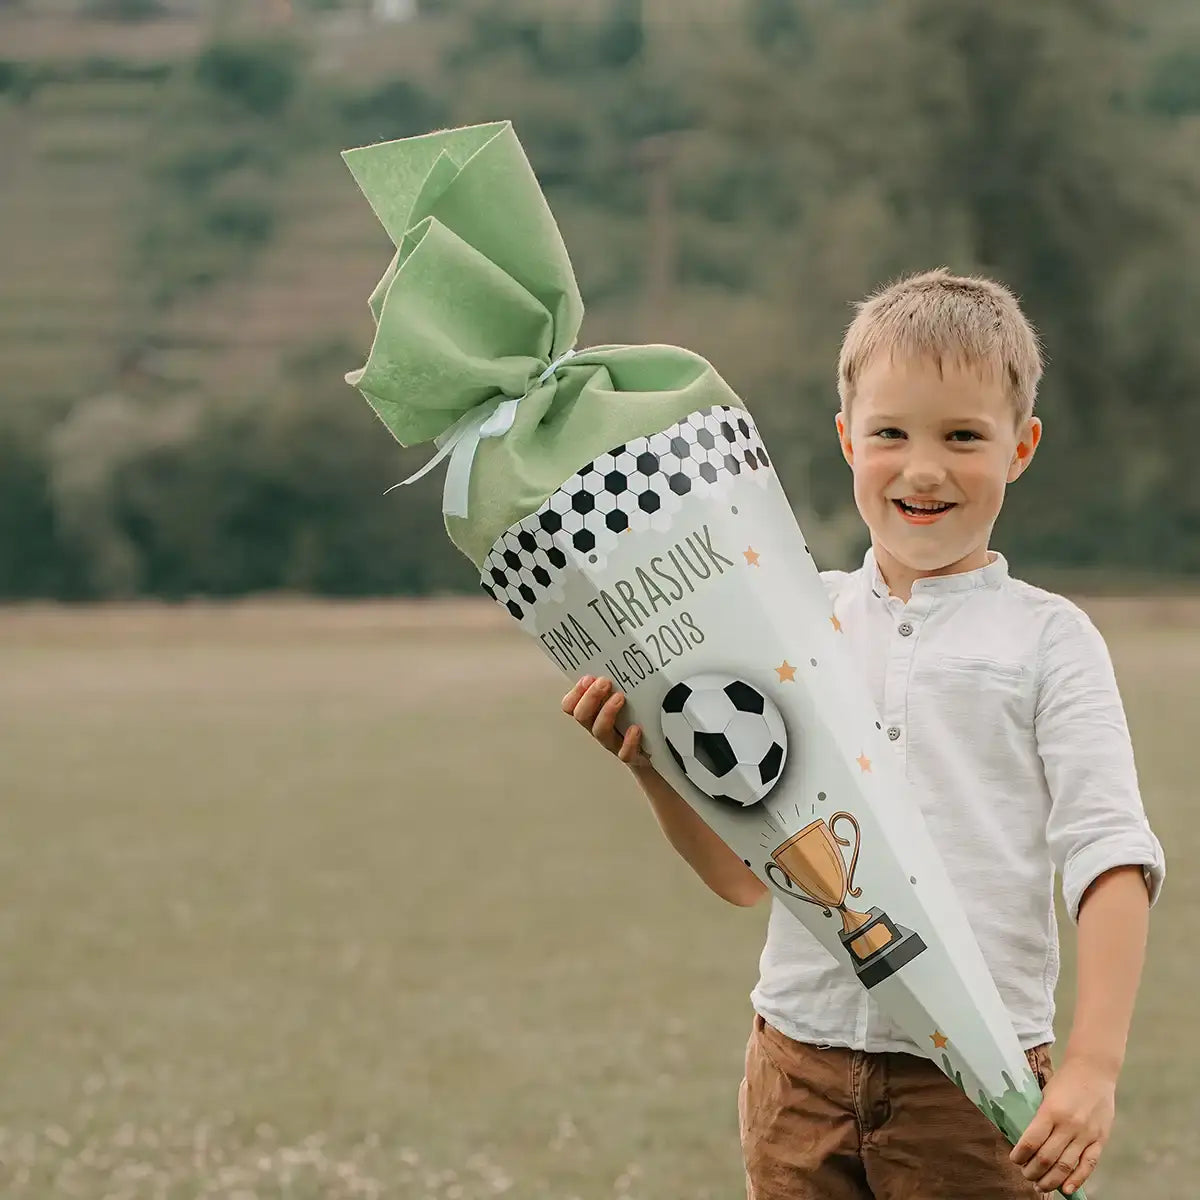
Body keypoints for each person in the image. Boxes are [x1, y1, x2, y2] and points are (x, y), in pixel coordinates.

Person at [560, 269, 1166, 1199]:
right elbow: (739, 876)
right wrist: (650, 769)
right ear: (847, 439)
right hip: (794, 1071)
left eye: (964, 436)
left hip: (977, 1082)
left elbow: (1109, 857)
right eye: (890, 434)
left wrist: (1092, 1068)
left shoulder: (1050, 640)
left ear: (1022, 447)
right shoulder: (796, 623)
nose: (924, 468)